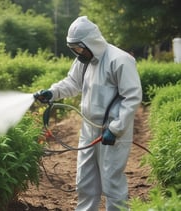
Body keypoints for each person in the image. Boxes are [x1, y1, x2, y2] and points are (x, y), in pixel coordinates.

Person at [34, 16, 142, 211]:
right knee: (85, 182)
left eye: (79, 48)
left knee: (112, 183)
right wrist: (53, 92)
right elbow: (72, 83)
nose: (77, 52)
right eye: (73, 48)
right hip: (89, 130)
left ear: (91, 42)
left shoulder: (120, 60)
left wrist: (116, 128)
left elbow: (132, 98)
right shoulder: (84, 61)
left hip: (112, 131)